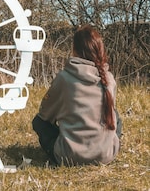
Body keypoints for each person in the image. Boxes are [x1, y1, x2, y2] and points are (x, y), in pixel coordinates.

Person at [32, 24, 122, 166]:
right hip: (106, 155)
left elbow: (44, 115)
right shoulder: (109, 79)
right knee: (115, 115)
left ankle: (69, 146)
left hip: (69, 156)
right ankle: (105, 146)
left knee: (38, 122)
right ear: (100, 49)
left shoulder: (64, 78)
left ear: (75, 49)